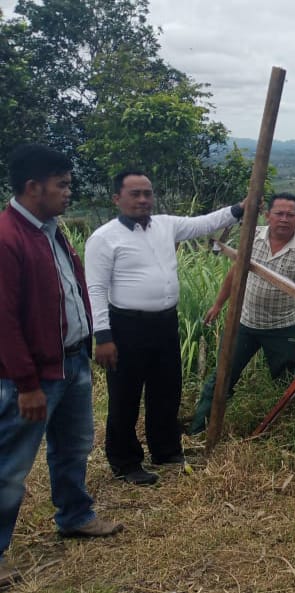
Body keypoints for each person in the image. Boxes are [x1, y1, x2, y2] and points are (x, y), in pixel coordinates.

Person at [0, 144, 123, 587]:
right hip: (33, 377)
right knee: (10, 466)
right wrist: (26, 384)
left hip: (72, 361)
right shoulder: (7, 238)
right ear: (33, 187)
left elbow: (68, 290)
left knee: (73, 446)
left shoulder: (49, 230)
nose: (69, 192)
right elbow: (4, 321)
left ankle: (75, 516)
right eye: (62, 184)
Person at [85, 170, 247, 486]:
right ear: (117, 198)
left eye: (147, 193)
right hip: (127, 326)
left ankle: (166, 450)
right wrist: (102, 336)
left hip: (165, 323)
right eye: (135, 194)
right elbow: (96, 289)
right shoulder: (104, 238)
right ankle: (125, 461)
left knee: (166, 389)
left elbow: (204, 223)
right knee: (125, 396)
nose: (143, 199)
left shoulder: (165, 225)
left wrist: (239, 208)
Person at [187, 192, 295, 435]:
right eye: (279, 213)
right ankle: (198, 431)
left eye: (290, 215)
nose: (284, 219)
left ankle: (283, 433)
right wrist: (218, 305)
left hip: (284, 328)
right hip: (245, 324)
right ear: (268, 215)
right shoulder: (252, 237)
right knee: (221, 378)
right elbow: (235, 273)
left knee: (286, 383)